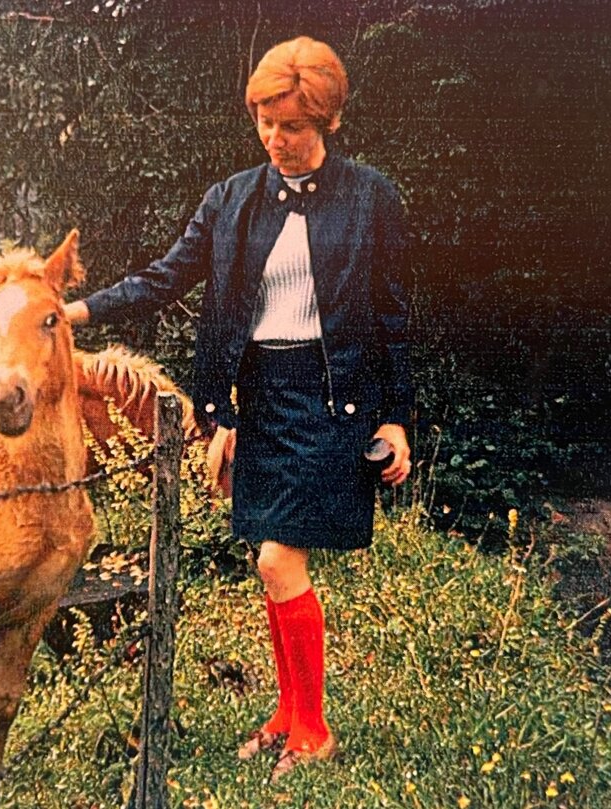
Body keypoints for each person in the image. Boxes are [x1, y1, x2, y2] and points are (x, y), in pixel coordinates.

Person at [64, 36, 413, 780]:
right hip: (256, 403)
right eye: (264, 122)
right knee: (269, 564)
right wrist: (77, 313)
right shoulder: (230, 201)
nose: (274, 140)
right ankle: (288, 714)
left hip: (331, 401)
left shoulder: (371, 198)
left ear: (328, 120)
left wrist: (397, 417)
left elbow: (392, 316)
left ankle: (314, 730)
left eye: (292, 126)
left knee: (280, 558)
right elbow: (165, 277)